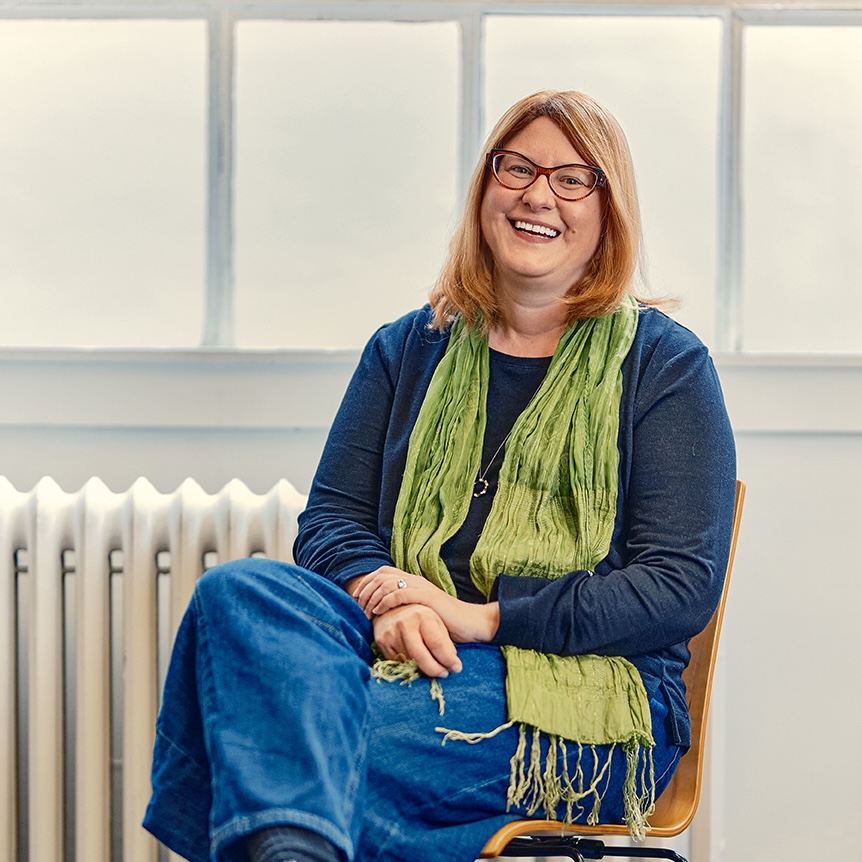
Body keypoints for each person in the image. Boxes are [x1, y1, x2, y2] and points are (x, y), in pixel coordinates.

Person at [143, 89, 737, 862]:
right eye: (516, 168)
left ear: (608, 211)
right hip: (397, 650)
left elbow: (676, 587)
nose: (536, 194)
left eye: (571, 179)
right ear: (485, 189)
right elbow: (329, 525)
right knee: (241, 593)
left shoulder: (665, 367)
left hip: (590, 697)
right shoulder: (406, 348)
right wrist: (387, 596)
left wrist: (476, 618)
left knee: (300, 740)